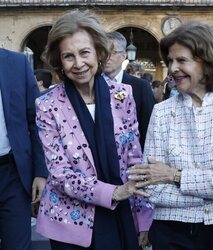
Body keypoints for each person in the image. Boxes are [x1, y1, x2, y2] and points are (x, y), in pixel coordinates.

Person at [35, 9, 152, 250]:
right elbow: (58, 173)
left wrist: (143, 218)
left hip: (122, 215)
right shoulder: (46, 105)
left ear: (98, 53)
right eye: (68, 56)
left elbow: (134, 160)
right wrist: (113, 193)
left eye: (84, 53)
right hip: (71, 222)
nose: (78, 64)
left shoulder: (123, 96)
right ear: (59, 61)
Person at [128, 22, 213, 250]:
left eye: (182, 60)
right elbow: (150, 185)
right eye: (170, 61)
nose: (173, 68)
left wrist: (173, 175)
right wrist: (212, 181)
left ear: (206, 61)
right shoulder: (161, 112)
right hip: (171, 230)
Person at [0, 48, 47, 249]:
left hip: (12, 174)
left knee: (18, 245)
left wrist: (40, 172)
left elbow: (36, 122)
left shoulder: (17, 64)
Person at [103, 31, 155, 149]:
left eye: (112, 52)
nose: (106, 57)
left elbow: (148, 126)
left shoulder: (141, 87)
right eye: (102, 52)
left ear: (124, 55)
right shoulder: (91, 84)